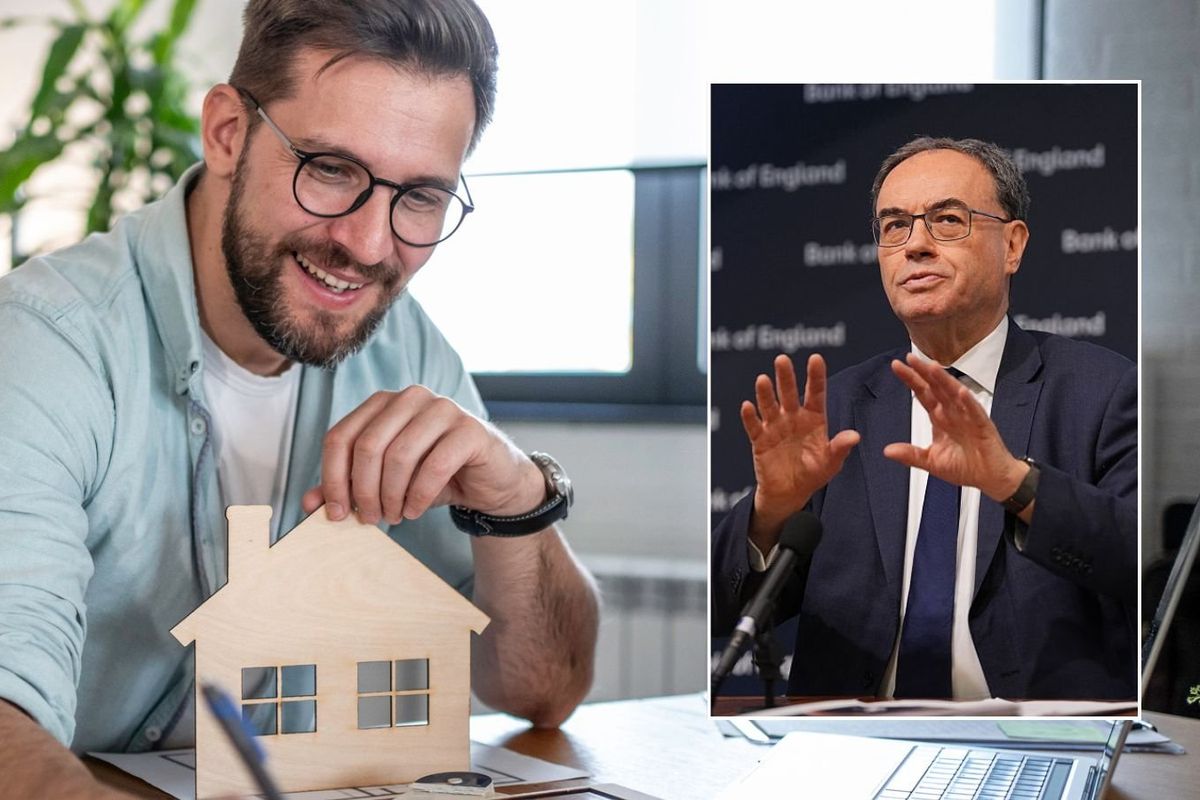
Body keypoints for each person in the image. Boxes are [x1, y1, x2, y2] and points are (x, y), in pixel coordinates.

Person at [0, 1, 599, 795]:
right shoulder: (47, 345)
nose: (370, 246)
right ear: (226, 133)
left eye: (420, 196)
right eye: (331, 170)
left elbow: (540, 689)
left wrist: (518, 497)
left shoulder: (406, 350)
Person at [712, 136, 1136, 702]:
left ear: (1012, 245)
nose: (915, 245)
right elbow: (723, 610)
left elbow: (1139, 574)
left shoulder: (1100, 391)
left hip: (1033, 739)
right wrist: (771, 514)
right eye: (894, 226)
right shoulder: (837, 410)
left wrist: (1015, 483)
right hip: (852, 744)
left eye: (947, 220)